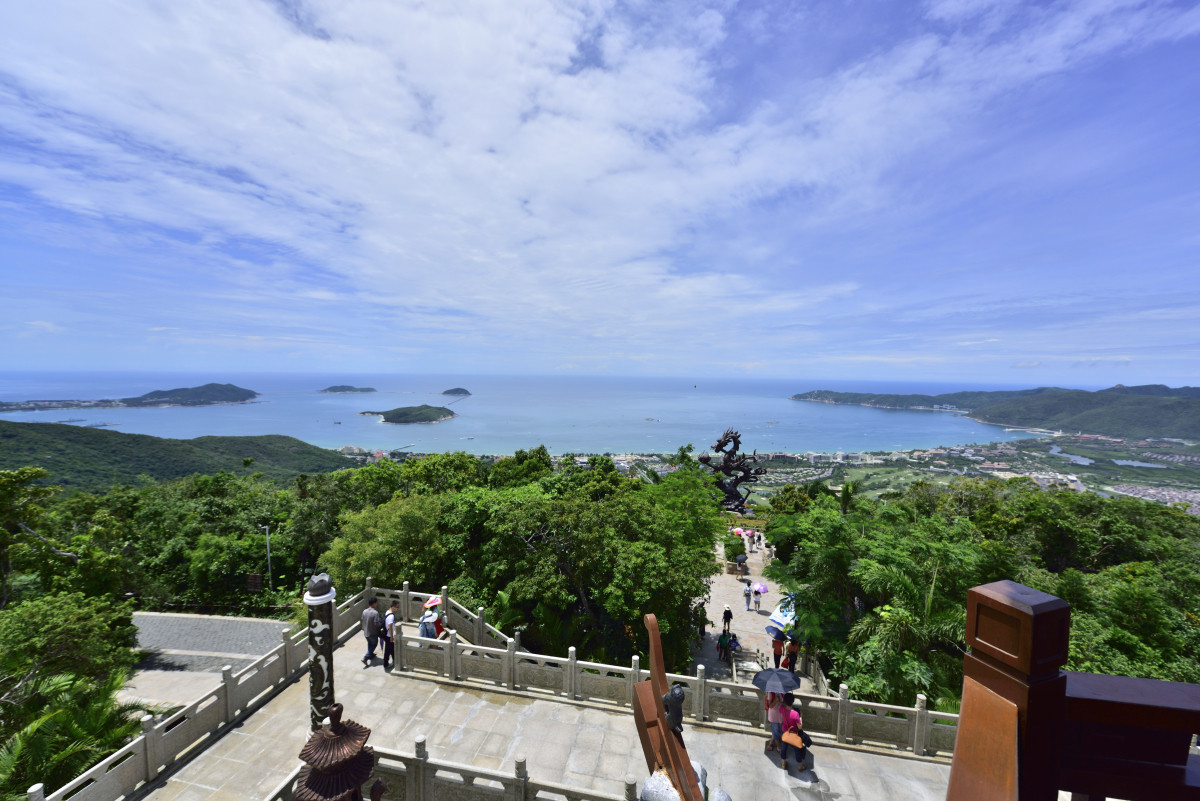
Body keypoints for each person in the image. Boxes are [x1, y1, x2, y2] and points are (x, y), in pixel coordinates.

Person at [779, 692, 804, 771]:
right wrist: (801, 717)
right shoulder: (796, 714)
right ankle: (799, 765)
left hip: (785, 732)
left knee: (784, 748)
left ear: (784, 701)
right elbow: (800, 727)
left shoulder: (781, 709)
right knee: (797, 749)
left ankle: (783, 763)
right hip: (793, 733)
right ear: (793, 702)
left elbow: (782, 707)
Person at [361, 597, 381, 667]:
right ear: (374, 603)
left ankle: (371, 655)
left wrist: (363, 628)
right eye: (376, 603)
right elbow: (375, 623)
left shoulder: (364, 611)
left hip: (366, 632)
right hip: (372, 632)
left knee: (370, 643)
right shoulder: (375, 613)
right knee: (374, 644)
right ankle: (365, 658)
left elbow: (362, 620)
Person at [382, 600, 399, 671]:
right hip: (389, 636)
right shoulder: (391, 616)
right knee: (388, 651)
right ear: (393, 606)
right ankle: (386, 664)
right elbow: (390, 626)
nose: (397, 608)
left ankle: (395, 660)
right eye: (397, 607)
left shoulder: (387, 612)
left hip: (386, 634)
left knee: (392, 649)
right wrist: (392, 637)